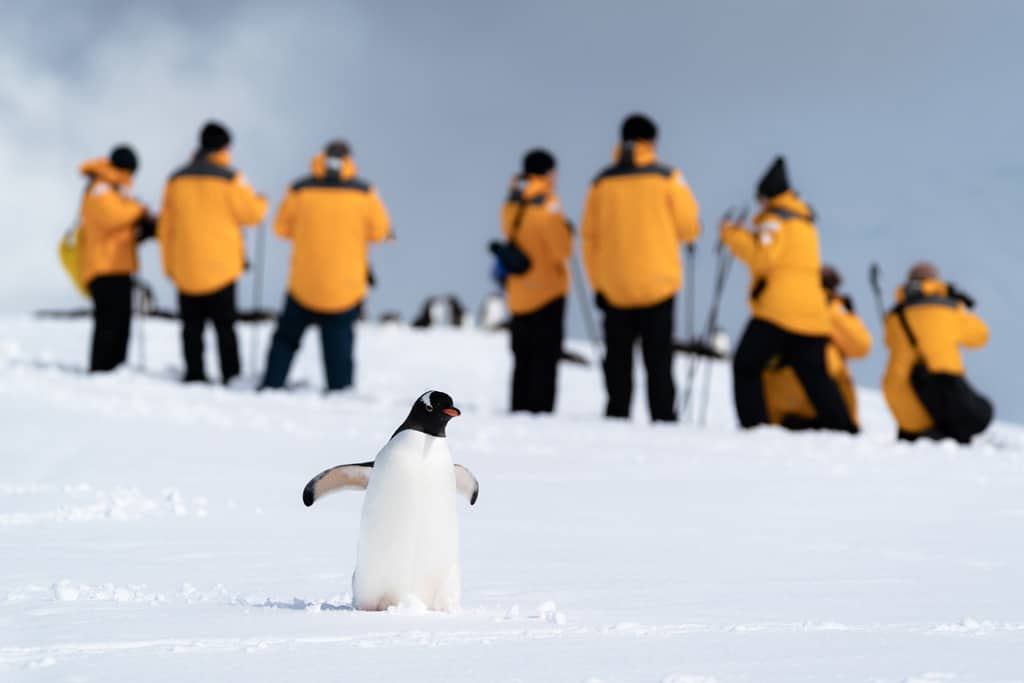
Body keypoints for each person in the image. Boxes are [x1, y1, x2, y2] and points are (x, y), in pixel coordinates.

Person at [721, 156, 857, 433]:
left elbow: (763, 258)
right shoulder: (804, 220)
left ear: (766, 195)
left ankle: (754, 427)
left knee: (746, 365)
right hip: (813, 315)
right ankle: (845, 430)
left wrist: (733, 235)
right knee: (816, 379)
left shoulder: (774, 220)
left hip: (779, 311)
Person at [581, 114, 700, 421]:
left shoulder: (601, 182)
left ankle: (617, 415)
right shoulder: (667, 177)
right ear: (653, 142)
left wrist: (598, 283)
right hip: (658, 284)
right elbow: (689, 226)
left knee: (618, 360)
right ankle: (663, 418)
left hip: (614, 286)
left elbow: (589, 238)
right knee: (658, 360)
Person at [261, 140, 391, 392]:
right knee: (338, 346)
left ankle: (272, 384)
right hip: (344, 287)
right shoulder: (364, 193)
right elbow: (379, 231)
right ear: (349, 159)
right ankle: (339, 391)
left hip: (304, 283)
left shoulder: (300, 189)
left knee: (286, 340)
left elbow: (280, 228)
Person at [157, 121, 268, 384]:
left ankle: (194, 373)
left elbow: (165, 227)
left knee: (191, 327)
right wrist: (262, 201)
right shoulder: (231, 178)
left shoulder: (176, 179)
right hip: (222, 266)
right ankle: (231, 375)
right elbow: (252, 214)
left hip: (185, 263)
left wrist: (169, 265)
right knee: (225, 326)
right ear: (225, 147)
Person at [497, 149, 573, 413]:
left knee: (522, 356)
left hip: (519, 291)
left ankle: (518, 406)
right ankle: (541, 411)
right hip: (548, 290)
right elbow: (562, 250)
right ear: (548, 172)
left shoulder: (511, 202)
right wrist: (567, 232)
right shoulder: (548, 204)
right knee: (545, 356)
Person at [882, 262, 991, 443]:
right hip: (942, 395)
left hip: (900, 398)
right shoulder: (949, 308)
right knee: (982, 413)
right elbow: (980, 336)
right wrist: (961, 306)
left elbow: (888, 341)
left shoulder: (895, 315)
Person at [763, 265, 872, 429]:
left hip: (777, 405)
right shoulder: (830, 308)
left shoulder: (781, 306)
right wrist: (847, 315)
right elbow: (861, 346)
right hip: (824, 403)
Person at [78, 146, 156, 372]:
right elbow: (112, 217)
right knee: (108, 321)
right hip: (104, 266)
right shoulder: (100, 188)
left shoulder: (115, 189)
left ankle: (115, 368)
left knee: (121, 320)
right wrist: (140, 212)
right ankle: (101, 369)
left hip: (118, 265)